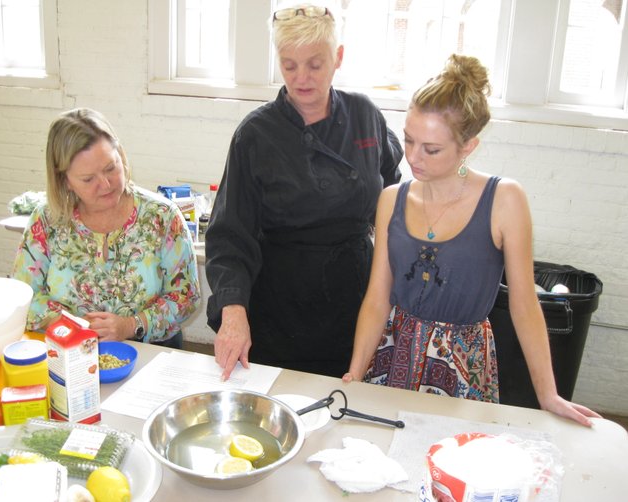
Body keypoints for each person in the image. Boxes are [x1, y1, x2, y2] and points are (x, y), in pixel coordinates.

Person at [342, 54, 600, 427]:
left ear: (468, 147)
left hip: (463, 367)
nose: (413, 157)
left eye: (431, 149)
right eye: (409, 140)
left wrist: (548, 394)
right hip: (391, 355)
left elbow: (525, 304)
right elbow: (377, 298)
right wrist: (355, 374)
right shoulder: (391, 199)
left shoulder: (504, 200)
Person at [206, 3, 403, 380]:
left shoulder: (364, 116)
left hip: (354, 301)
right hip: (282, 307)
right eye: (289, 65)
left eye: (315, 64)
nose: (302, 78)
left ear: (338, 57)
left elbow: (396, 195)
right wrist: (233, 311)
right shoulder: (256, 134)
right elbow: (230, 235)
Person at [13, 108, 200, 348]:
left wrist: (131, 324)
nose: (106, 184)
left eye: (111, 167)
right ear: (65, 181)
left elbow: (186, 296)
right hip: (69, 352)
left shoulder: (161, 217)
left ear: (121, 155)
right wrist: (74, 325)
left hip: (149, 353)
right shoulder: (47, 220)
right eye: (88, 179)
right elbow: (24, 295)